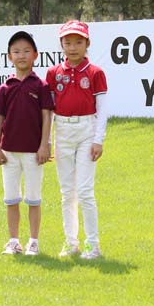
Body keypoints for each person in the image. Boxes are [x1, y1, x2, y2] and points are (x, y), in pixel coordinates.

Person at [46, 20, 109, 260]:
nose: (73, 47)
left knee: (85, 191)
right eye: (68, 42)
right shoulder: (54, 73)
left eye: (78, 42)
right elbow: (49, 110)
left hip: (87, 130)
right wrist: (48, 141)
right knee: (67, 192)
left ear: (87, 44)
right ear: (61, 44)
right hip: (62, 131)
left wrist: (98, 140)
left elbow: (102, 109)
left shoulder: (95, 73)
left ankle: (92, 245)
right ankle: (71, 242)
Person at [0, 31, 54, 256]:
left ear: (35, 55)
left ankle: (33, 242)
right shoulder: (5, 87)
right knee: (11, 199)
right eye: (16, 51)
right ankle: (14, 241)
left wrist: (45, 145)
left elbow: (47, 116)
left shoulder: (41, 86)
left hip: (33, 153)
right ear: (9, 57)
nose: (21, 55)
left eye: (26, 51)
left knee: (34, 199)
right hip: (8, 153)